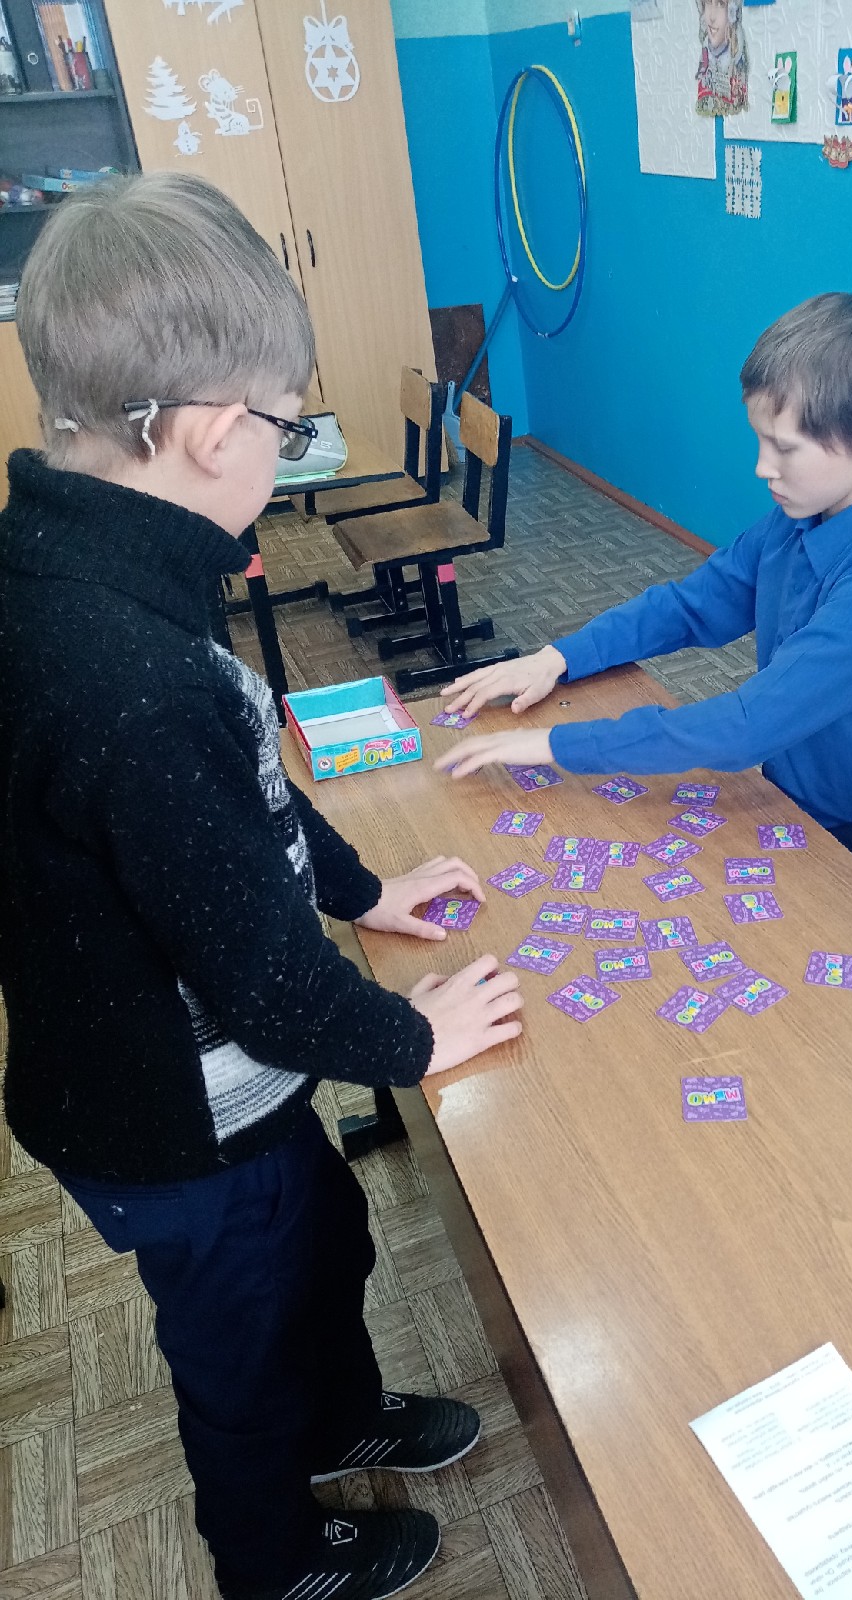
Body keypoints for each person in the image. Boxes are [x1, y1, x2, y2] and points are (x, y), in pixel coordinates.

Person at [0, 172, 523, 1600]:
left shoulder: (97, 556)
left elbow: (250, 791)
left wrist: (362, 889)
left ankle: (338, 1412)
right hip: (170, 1118)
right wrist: (413, 1037)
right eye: (288, 429)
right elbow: (264, 983)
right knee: (236, 1347)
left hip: (220, 1086)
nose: (290, 458)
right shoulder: (125, 673)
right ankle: (274, 1558)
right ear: (212, 429)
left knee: (325, 1242)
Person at [436, 293, 852, 904]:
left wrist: (556, 744)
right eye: (759, 440)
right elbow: (688, 607)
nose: (762, 467)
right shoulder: (798, 520)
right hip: (788, 798)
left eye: (785, 447)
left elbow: (746, 725)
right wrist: (557, 657)